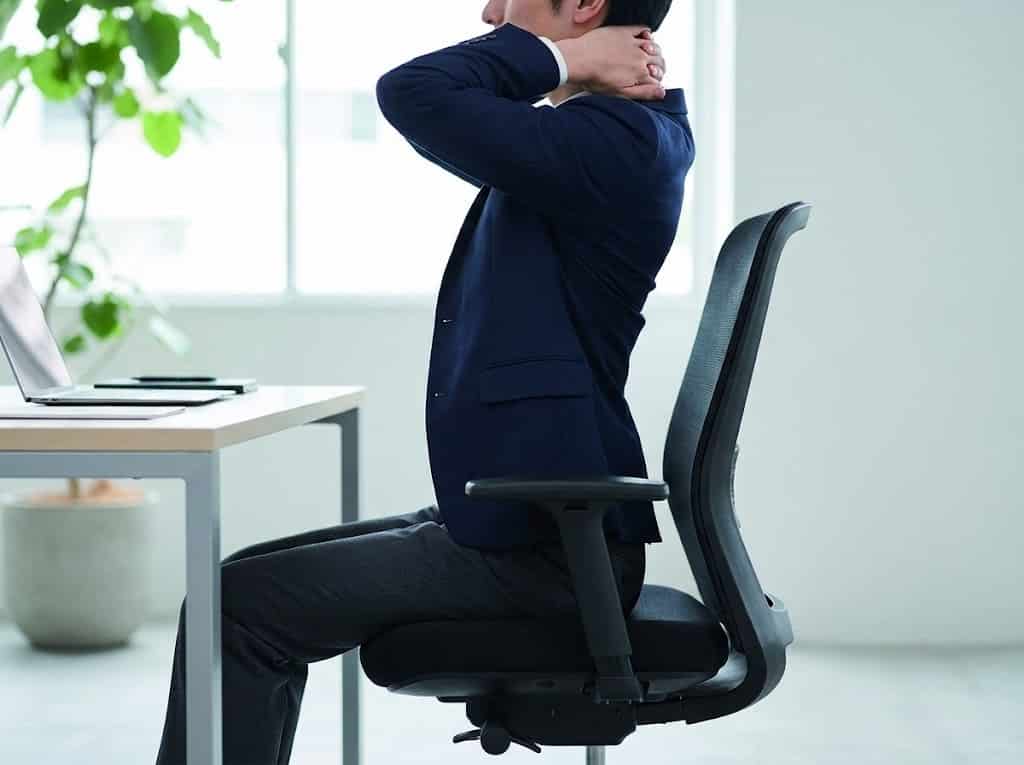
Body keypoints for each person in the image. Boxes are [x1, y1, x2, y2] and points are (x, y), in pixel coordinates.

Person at [155, 1, 690, 762]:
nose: (490, 11)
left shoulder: (614, 141)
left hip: (542, 554)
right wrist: (568, 63)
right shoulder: (609, 138)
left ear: (583, 6)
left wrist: (565, 61)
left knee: (232, 611)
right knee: (237, 585)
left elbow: (415, 90)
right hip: (531, 527)